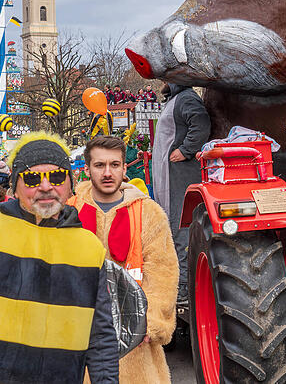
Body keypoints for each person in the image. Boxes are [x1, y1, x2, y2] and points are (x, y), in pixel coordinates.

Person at [0, 132, 119, 382]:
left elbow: (101, 339)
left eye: (57, 176)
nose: (46, 187)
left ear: (70, 184)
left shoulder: (88, 249)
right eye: (31, 178)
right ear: (15, 187)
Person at [69, 136, 178, 383]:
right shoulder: (70, 208)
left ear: (124, 168)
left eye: (114, 165)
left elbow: (163, 272)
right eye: (100, 165)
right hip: (79, 335)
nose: (108, 173)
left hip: (135, 344)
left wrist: (151, 322)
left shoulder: (149, 213)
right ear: (87, 169)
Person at [151, 82, 210, 305]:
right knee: (172, 227)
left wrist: (186, 150)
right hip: (169, 177)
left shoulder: (186, 98)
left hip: (180, 177)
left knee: (180, 228)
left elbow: (201, 123)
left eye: (165, 78)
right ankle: (178, 282)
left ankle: (184, 286)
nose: (162, 82)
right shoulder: (174, 100)